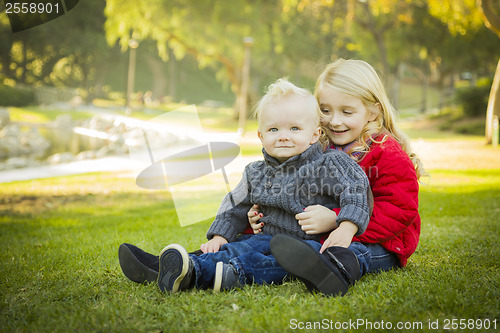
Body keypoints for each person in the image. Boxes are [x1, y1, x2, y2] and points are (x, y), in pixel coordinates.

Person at [119, 78, 372, 294]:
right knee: (235, 248)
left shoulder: (330, 163)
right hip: (266, 238)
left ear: (315, 134)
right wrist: (219, 235)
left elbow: (357, 189)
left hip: (310, 246)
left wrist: (346, 227)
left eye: (295, 128)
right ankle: (173, 266)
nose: (284, 135)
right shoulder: (255, 172)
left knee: (263, 261)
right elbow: (234, 205)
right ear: (261, 135)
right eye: (274, 129)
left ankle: (197, 273)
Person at [252, 59, 424, 296]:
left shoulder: (386, 153)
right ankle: (221, 258)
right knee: (289, 245)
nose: (334, 120)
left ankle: (333, 273)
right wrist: (260, 218)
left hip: (382, 242)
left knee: (353, 253)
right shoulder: (317, 147)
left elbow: (399, 209)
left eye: (346, 111)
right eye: (325, 110)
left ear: (372, 111)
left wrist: (338, 221)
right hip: (326, 235)